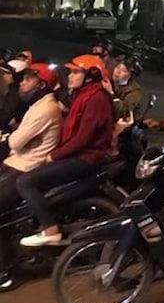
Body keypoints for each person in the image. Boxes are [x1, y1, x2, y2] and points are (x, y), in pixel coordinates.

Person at [17, 55, 113, 247]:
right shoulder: (83, 94)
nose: (70, 76)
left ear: (90, 76)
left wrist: (53, 156)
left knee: (25, 182)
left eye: (76, 72)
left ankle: (50, 229)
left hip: (86, 158)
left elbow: (82, 139)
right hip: (76, 155)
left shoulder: (96, 99)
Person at [0, 64, 62, 291]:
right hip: (16, 162)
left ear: (41, 85)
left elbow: (16, 141)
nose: (22, 83)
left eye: (28, 80)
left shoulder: (45, 109)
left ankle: (4, 272)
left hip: (25, 166)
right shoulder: (36, 105)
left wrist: (14, 137)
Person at [107, 55, 143, 121]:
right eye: (117, 67)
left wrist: (111, 94)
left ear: (131, 75)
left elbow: (122, 112)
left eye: (123, 70)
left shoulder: (134, 91)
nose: (118, 72)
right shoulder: (109, 81)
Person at [0, 59, 29, 130]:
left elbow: (4, 118)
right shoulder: (9, 89)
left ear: (16, 76)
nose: (3, 75)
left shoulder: (15, 94)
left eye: (7, 73)